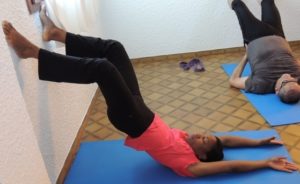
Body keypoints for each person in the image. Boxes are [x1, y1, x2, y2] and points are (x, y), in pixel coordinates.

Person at [2, 7, 298, 177]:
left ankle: (32, 52)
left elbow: (229, 165)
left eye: (203, 140)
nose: (199, 134)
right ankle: (57, 34)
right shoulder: (192, 142)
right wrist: (259, 142)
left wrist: (265, 162)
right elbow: (228, 142)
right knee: (114, 49)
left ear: (201, 154)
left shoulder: (190, 164)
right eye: (206, 135)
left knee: (103, 69)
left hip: (132, 120)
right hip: (140, 110)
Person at [228, 0, 300, 104]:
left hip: (255, 36)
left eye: (285, 81)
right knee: (268, 1)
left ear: (277, 90)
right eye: (293, 80)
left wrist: (246, 57)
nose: (288, 76)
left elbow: (233, 80)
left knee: (238, 5)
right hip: (278, 35)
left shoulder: (260, 85)